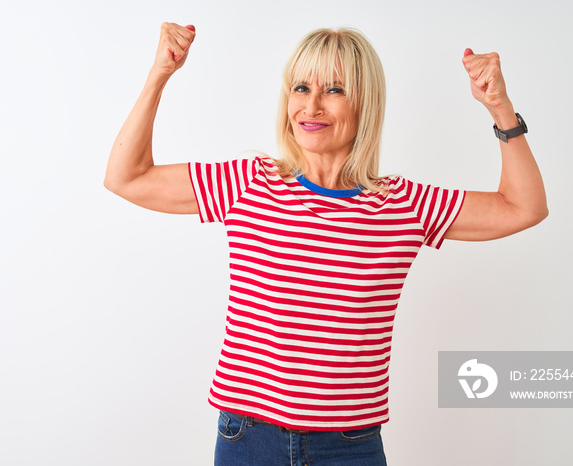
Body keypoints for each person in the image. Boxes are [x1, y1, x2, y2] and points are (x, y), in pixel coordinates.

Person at [104, 22, 547, 466]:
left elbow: (522, 207)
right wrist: (159, 75)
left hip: (349, 447)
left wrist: (500, 108)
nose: (310, 106)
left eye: (334, 89)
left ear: (364, 104)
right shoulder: (248, 183)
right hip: (249, 439)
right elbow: (127, 177)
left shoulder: (403, 205)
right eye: (301, 87)